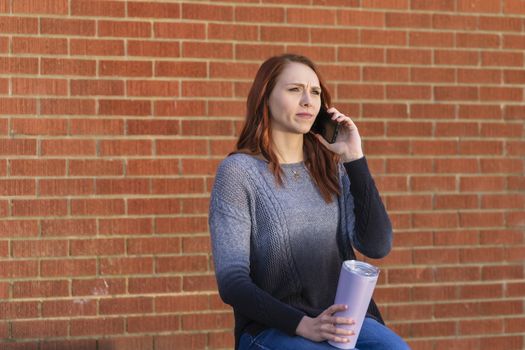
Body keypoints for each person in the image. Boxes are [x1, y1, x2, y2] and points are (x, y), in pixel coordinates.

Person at [209, 54, 410, 350]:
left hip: (343, 319)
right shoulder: (239, 173)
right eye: (294, 90)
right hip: (272, 328)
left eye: (315, 92)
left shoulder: (331, 169)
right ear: (265, 97)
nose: (308, 101)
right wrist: (304, 325)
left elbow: (377, 245)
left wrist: (354, 158)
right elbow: (233, 283)